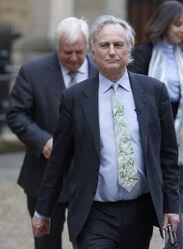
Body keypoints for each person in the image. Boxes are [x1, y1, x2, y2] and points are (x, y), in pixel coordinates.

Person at [31, 15, 180, 249]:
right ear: (93, 52)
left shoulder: (154, 92)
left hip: (139, 211)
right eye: (104, 45)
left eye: (118, 45)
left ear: (129, 49)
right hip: (94, 213)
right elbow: (58, 160)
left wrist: (171, 206)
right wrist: (43, 211)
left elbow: (168, 155)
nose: (112, 52)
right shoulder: (75, 98)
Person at [6, 17, 97, 249]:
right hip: (44, 178)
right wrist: (43, 141)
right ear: (58, 47)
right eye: (68, 52)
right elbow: (16, 115)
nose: (75, 58)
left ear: (87, 46)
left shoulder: (102, 73)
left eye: (79, 51)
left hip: (91, 181)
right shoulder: (32, 72)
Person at [127, 2, 183, 248]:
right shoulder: (143, 53)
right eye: (177, 24)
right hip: (146, 130)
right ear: (164, 24)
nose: (182, 30)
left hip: (173, 130)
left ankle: (174, 245)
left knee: (172, 191)